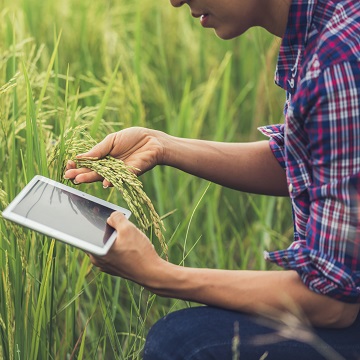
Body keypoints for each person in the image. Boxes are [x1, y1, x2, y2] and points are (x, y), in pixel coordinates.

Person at [64, 0, 360, 358]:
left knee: (182, 343)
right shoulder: (323, 27)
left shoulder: (337, 61)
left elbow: (332, 302)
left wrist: (157, 273)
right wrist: (162, 145)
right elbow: (312, 162)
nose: (175, 0)